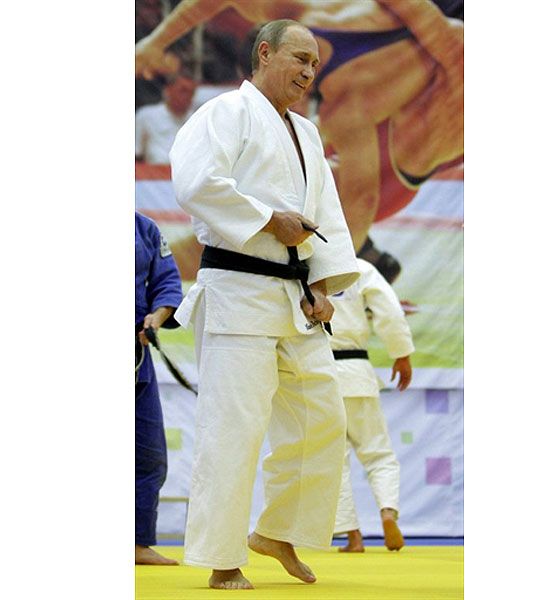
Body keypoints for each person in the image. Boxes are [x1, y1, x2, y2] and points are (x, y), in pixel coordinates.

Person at [169, 20, 359, 590]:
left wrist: (323, 284)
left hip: (294, 297)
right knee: (234, 429)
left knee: (323, 418)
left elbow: (327, 215)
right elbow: (196, 182)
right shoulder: (225, 113)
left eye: (315, 64)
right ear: (265, 52)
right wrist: (267, 219)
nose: (308, 72)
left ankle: (277, 532)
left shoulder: (306, 132)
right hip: (237, 290)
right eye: (300, 58)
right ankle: (223, 558)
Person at [134, 0, 463, 278]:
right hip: (408, 126)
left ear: (265, 56)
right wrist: (154, 43)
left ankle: (151, 270)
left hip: (407, 139)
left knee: (271, 210)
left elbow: (362, 200)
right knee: (268, 203)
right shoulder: (311, 27)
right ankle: (153, 270)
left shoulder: (346, 98)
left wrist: (156, 43)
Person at [329, 258, 414, 553]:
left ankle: (353, 536)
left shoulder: (304, 265)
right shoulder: (358, 268)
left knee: (333, 459)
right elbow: (389, 310)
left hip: (318, 373)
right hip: (357, 371)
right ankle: (387, 512)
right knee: (378, 454)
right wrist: (401, 353)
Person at [135, 212, 183, 565]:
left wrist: (157, 316)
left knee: (148, 454)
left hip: (136, 353)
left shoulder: (144, 228)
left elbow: (166, 281)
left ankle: (136, 541)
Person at [135, 73, 198, 164]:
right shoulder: (146, 116)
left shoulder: (197, 120)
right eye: (183, 91)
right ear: (168, 91)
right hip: (153, 170)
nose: (187, 96)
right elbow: (136, 153)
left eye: (192, 93)